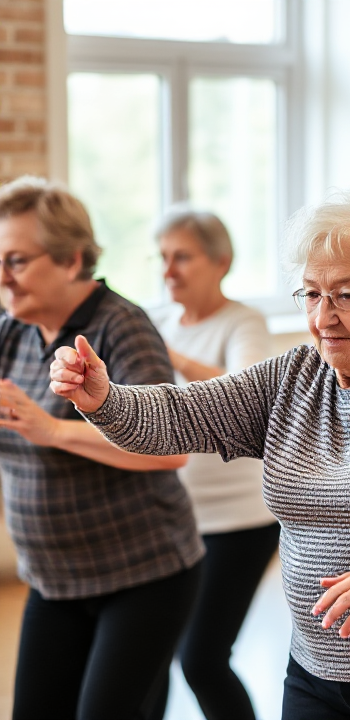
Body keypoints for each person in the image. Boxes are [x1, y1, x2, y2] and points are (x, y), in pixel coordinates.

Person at [49, 186, 350, 720]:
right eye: (310, 294)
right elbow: (176, 418)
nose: (324, 317)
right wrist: (103, 398)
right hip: (317, 670)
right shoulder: (292, 376)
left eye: (346, 295)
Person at [0, 176, 203, 720]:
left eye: (16, 261)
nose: (3, 278)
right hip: (55, 577)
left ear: (70, 260)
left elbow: (170, 448)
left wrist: (53, 429)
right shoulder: (14, 331)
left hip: (143, 575)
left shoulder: (120, 326)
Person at [149, 207, 279, 720]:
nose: (168, 271)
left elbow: (245, 394)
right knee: (151, 659)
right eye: (162, 258)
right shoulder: (157, 322)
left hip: (239, 522)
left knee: (201, 660)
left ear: (220, 261)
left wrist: (172, 356)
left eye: (182, 257)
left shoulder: (244, 321)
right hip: (168, 521)